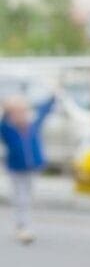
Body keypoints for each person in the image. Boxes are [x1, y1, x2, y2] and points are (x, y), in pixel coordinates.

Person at [2, 93, 56, 244]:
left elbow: (44, 111)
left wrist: (53, 96)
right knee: (20, 197)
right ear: (10, 115)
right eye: (15, 113)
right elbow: (3, 120)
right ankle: (22, 225)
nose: (20, 116)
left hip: (31, 168)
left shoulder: (33, 125)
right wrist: (7, 109)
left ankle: (24, 224)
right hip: (15, 168)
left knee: (27, 195)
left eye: (22, 112)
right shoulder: (7, 128)